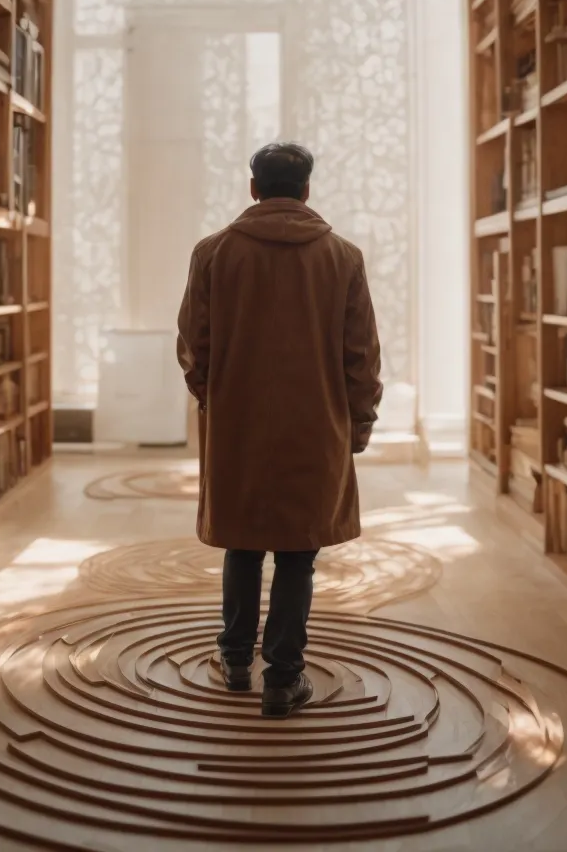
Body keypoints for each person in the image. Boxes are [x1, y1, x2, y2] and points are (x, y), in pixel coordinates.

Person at [176, 142, 383, 718]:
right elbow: (360, 356)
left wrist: (217, 401)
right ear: (308, 190)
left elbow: (195, 349)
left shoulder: (212, 254)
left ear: (252, 188)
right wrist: (358, 423)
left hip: (238, 426)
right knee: (298, 554)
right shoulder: (343, 258)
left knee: (242, 544)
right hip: (316, 428)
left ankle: (236, 661)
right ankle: (283, 679)